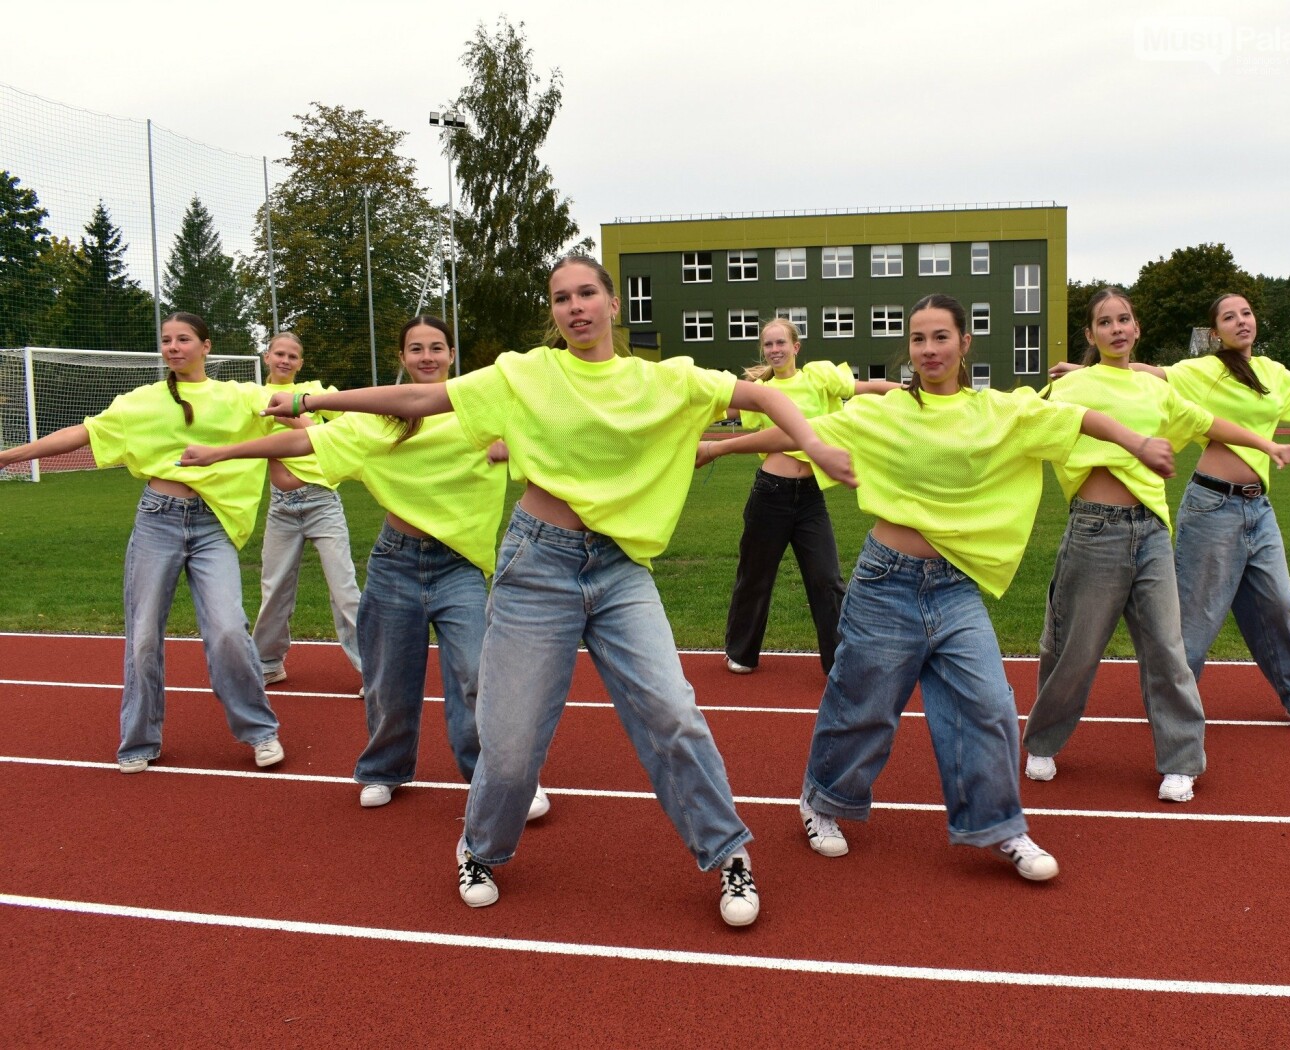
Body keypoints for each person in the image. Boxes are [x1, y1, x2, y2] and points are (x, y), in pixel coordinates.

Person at [254, 256, 856, 927]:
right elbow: (422, 400)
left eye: (587, 294)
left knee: (671, 714)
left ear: (612, 304)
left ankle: (728, 854)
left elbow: (768, 396)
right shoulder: (528, 372)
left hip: (620, 568)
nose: (575, 307)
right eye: (562, 298)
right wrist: (311, 400)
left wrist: (816, 447)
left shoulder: (665, 380)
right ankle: (479, 847)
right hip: (536, 563)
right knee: (509, 746)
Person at [706, 294, 1176, 882]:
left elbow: (1078, 420)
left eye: (940, 338)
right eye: (918, 339)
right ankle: (822, 802)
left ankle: (1001, 825)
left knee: (990, 706)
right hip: (884, 583)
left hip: (955, 588)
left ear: (964, 343)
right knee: (863, 706)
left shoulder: (998, 410)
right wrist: (719, 446)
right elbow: (793, 435)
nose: (928, 350)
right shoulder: (887, 412)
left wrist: (1137, 444)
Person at [182, 317, 547, 819]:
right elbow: (302, 444)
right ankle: (384, 769)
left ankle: (501, 778)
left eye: (436, 348)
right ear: (402, 358)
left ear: (452, 354)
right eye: (415, 349)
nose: (426, 357)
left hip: (459, 567)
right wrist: (222, 452)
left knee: (477, 676)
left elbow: (548, 436)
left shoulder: (485, 410)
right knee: (387, 679)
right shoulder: (381, 420)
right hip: (396, 563)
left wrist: (514, 446)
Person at [1021, 288, 1290, 803]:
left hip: (1149, 533)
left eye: (1124, 319)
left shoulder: (1157, 392)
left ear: (1137, 328)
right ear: (1091, 335)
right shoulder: (1072, 385)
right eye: (1105, 322)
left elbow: (1211, 424)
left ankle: (1181, 761)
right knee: (1073, 650)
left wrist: (1267, 444)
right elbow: (1020, 425)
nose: (1117, 329)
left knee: (1168, 651)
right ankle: (1042, 742)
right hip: (1094, 530)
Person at [0, 313, 284, 773]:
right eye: (167, 340)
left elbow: (299, 402)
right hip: (158, 520)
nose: (173, 347)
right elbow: (82, 434)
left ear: (205, 346)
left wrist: (328, 407)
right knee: (144, 636)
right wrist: (10, 455)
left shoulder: (238, 396)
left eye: (184, 339)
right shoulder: (140, 401)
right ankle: (139, 740)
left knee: (229, 630)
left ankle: (260, 731)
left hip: (213, 525)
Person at [1139, 293, 1290, 732]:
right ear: (1215, 332)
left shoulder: (1270, 371)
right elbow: (1149, 374)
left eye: (1247, 313)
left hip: (1259, 508)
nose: (1241, 321)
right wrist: (1089, 372)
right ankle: (1170, 703)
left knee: (1280, 605)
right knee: (1196, 618)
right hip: (1212, 506)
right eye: (1229, 317)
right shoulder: (1205, 370)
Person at [697, 318, 898, 675]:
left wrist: (914, 391)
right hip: (769, 494)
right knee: (755, 576)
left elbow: (865, 387)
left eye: (780, 343)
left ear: (796, 347)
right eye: (768, 345)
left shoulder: (819, 379)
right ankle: (741, 652)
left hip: (809, 496)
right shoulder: (758, 391)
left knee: (827, 578)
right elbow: (712, 408)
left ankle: (838, 660)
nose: (774, 350)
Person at [251, 332, 362, 687]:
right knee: (275, 589)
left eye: (292, 356)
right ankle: (268, 663)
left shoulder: (312, 390)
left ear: (301, 363)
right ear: (266, 357)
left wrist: (304, 414)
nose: (285, 360)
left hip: (321, 502)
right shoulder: (250, 396)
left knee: (345, 590)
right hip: (280, 507)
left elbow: (351, 414)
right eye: (279, 353)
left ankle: (373, 670)